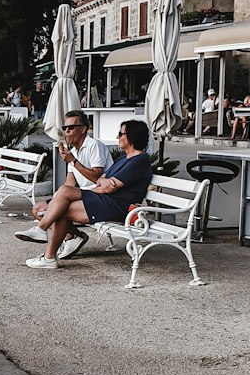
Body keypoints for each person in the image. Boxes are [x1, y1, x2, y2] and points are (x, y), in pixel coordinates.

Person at [24, 119, 153, 270]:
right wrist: (103, 183)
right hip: (107, 201)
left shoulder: (139, 161)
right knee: (63, 201)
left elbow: (108, 188)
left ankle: (43, 237)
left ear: (131, 136)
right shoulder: (124, 159)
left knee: (64, 198)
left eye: (120, 133)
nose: (118, 137)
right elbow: (101, 180)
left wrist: (99, 185)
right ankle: (48, 254)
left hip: (119, 207)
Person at [16, 111, 110, 255]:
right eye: (64, 128)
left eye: (70, 128)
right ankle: (71, 236)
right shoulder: (73, 152)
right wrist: (54, 202)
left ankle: (42, 232)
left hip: (99, 195)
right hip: (83, 194)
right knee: (38, 209)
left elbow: (96, 177)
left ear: (83, 129)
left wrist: (73, 161)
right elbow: (69, 183)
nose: (66, 132)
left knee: (58, 211)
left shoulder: (93, 146)